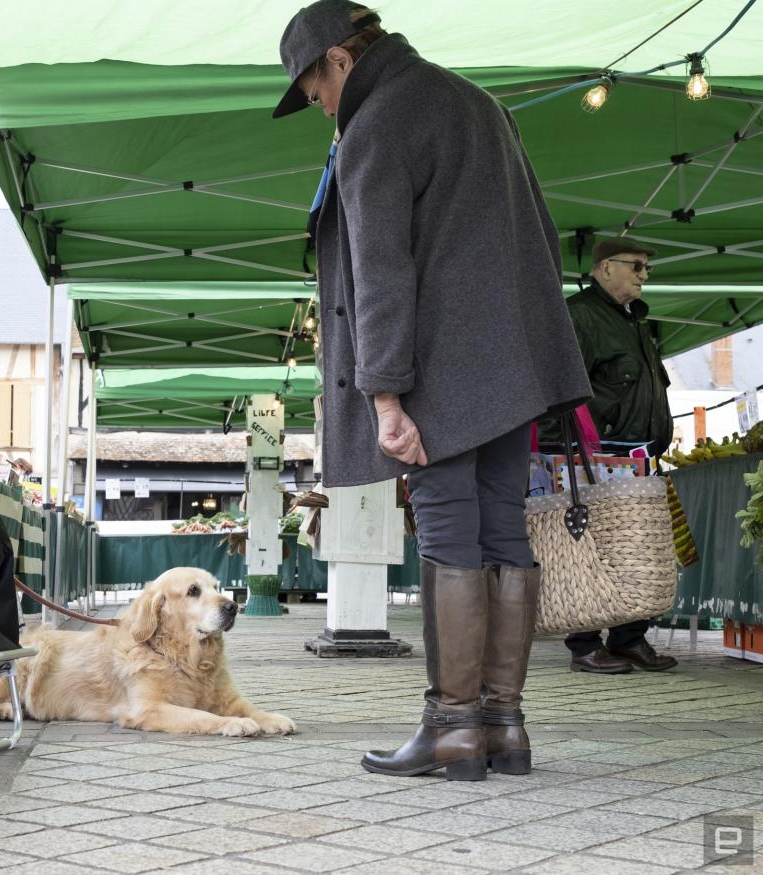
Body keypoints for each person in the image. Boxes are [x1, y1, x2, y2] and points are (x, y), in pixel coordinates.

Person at [273, 0, 592, 780]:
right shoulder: (480, 103)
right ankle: (503, 726)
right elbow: (542, 237)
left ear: (338, 62)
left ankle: (452, 729)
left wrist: (384, 394)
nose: (320, 108)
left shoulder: (377, 123)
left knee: (449, 533)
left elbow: (380, 273)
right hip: (508, 364)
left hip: (435, 370)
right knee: (502, 532)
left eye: (314, 91)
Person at [557, 238, 678, 674]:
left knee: (635, 551)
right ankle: (584, 643)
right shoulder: (581, 316)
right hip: (595, 455)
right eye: (637, 266)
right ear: (605, 267)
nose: (644, 275)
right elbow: (564, 391)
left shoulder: (633, 321)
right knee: (592, 550)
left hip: (638, 455)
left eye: (647, 268)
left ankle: (629, 637)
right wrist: (572, 450)